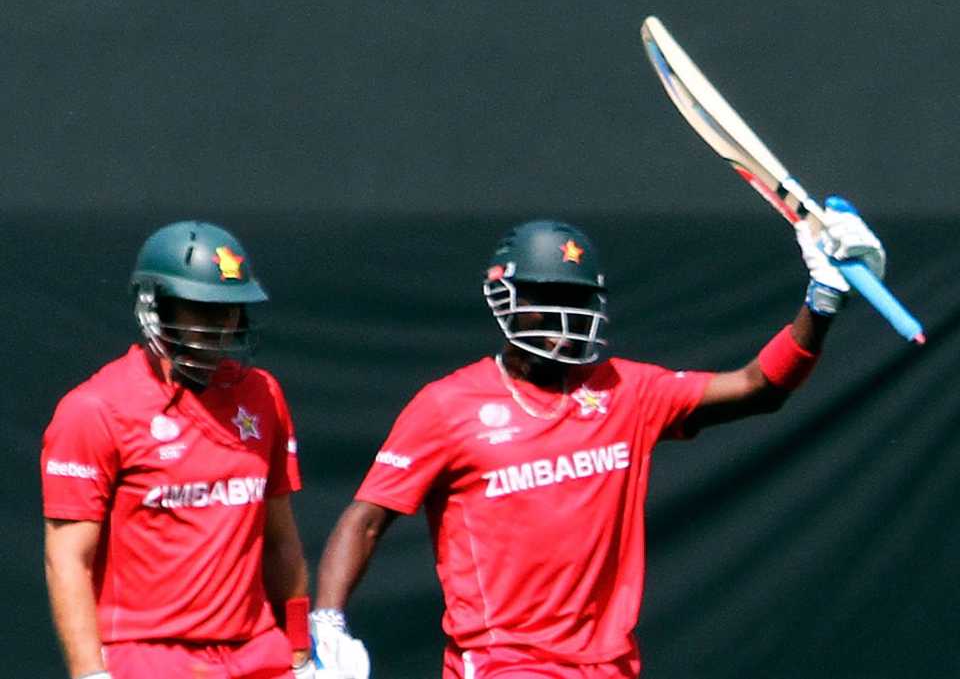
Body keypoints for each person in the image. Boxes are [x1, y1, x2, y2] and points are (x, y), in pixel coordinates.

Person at [305, 198, 886, 678]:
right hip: (506, 661)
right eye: (548, 299)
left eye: (576, 301)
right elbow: (366, 518)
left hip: (610, 664)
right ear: (505, 298)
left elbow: (759, 387)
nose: (565, 318)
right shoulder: (447, 405)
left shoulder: (626, 391)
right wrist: (327, 624)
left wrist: (823, 302)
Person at [41, 221, 318, 679]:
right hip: (151, 660)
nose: (220, 326)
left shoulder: (262, 394)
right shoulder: (95, 409)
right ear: (154, 306)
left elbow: (281, 541)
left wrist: (300, 648)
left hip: (257, 656)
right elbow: (68, 558)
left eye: (229, 311)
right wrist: (90, 673)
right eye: (202, 310)